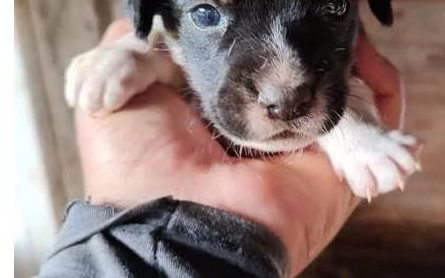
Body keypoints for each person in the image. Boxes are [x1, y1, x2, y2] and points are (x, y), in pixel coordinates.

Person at [38, 18, 410, 278]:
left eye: (330, 6)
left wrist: (353, 129)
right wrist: (138, 51)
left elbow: (351, 82)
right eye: (207, 12)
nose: (282, 83)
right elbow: (163, 46)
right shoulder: (161, 30)